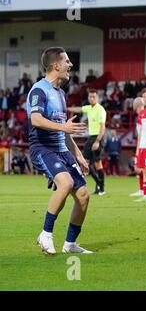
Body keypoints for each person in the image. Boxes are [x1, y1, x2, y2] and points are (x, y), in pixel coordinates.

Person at [27, 47, 92, 255]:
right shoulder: (39, 90)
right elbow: (35, 119)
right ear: (56, 65)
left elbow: (65, 130)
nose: (70, 65)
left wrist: (79, 156)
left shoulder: (61, 94)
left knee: (83, 195)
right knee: (66, 183)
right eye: (67, 61)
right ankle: (45, 234)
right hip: (43, 147)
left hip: (62, 149)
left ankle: (70, 244)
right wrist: (64, 127)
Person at [68, 90, 107, 195]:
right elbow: (79, 109)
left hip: (98, 137)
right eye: (90, 97)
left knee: (98, 164)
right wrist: (66, 108)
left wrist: (98, 141)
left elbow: (103, 127)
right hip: (90, 137)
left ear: (97, 98)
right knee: (86, 163)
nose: (91, 99)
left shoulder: (101, 110)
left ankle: (102, 188)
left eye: (94, 97)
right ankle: (98, 184)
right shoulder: (89, 108)